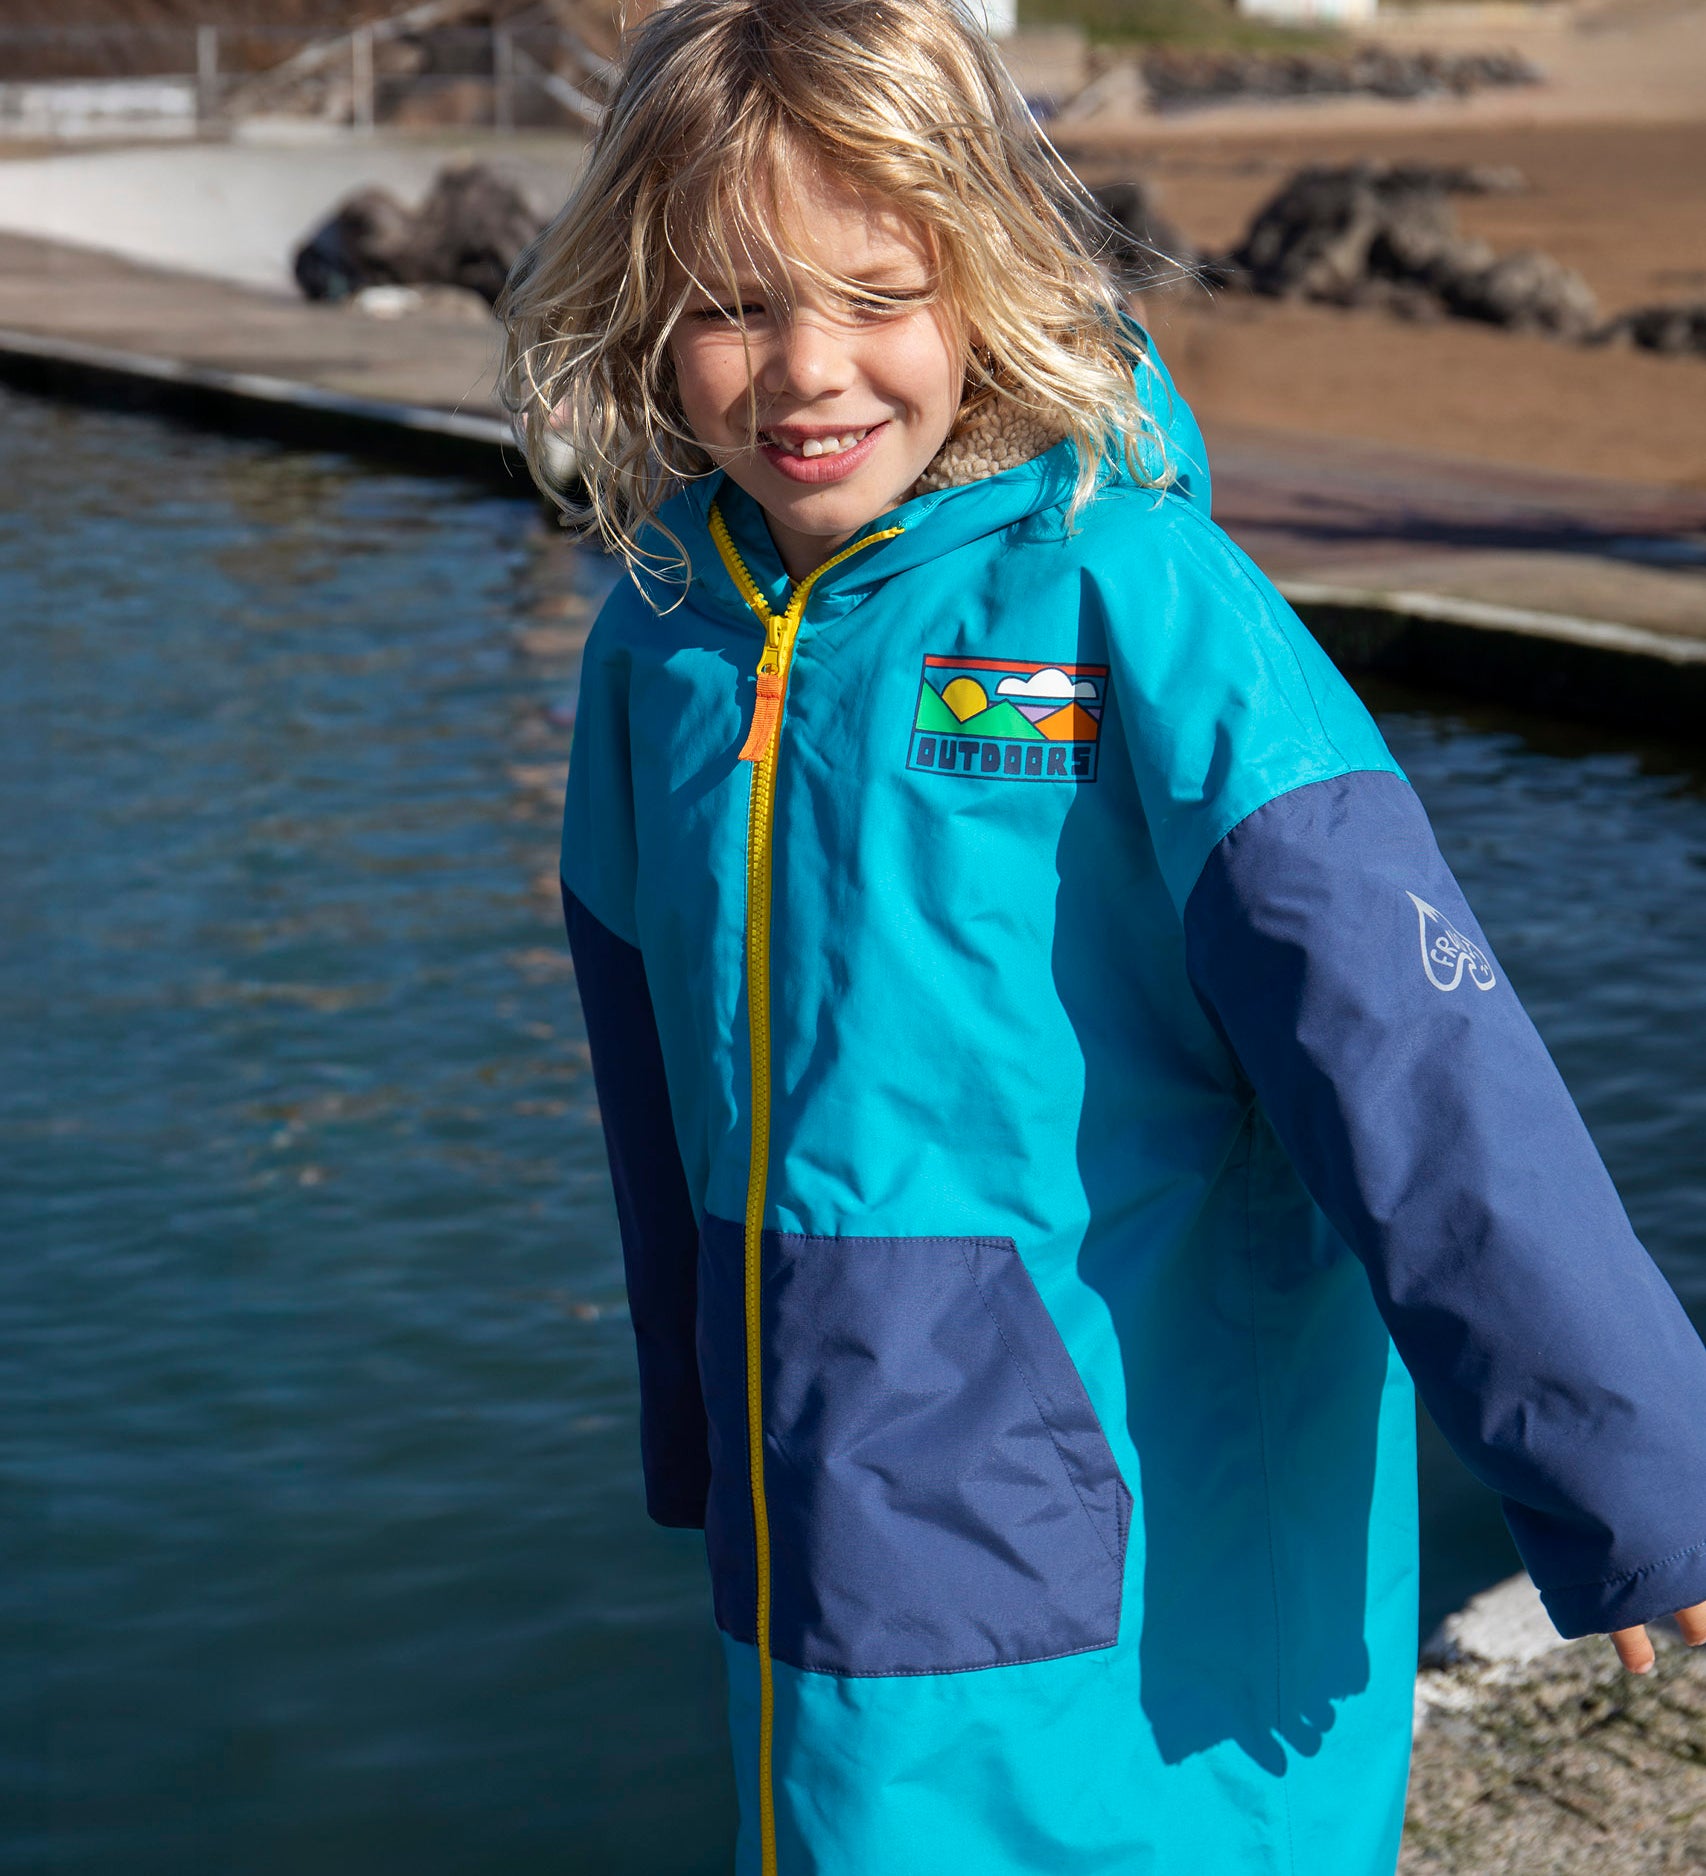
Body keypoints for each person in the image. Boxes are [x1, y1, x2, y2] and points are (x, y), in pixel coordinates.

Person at [497, 1, 1706, 1870]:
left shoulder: (1134, 601)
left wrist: (1631, 1463)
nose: (809, 372)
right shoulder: (661, 642)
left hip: (1150, 1483)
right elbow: (642, 1064)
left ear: (985, 268)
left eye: (880, 291)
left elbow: (1413, 1056)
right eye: (733, 307)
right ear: (641, 310)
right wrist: (700, 1415)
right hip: (820, 1477)